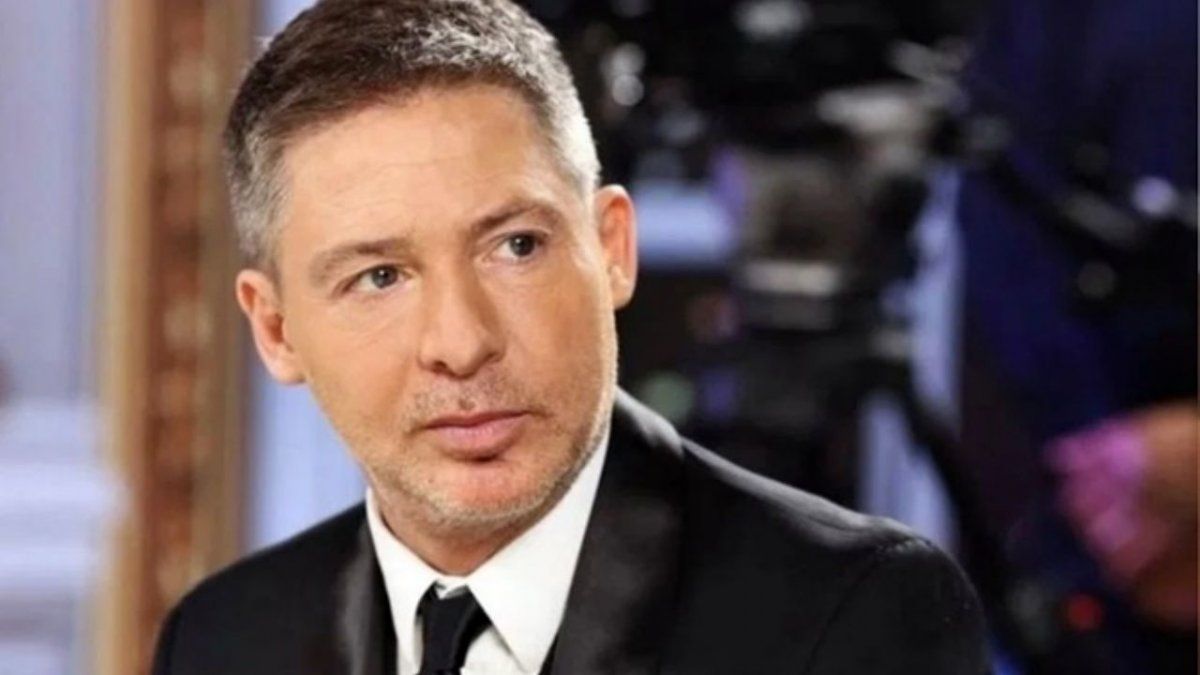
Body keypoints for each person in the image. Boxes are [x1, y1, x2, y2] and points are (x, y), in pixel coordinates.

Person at [151, 1, 988, 673]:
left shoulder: (854, 613)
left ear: (612, 248)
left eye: (516, 246)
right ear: (276, 329)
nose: (461, 343)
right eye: (379, 277)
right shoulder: (221, 639)